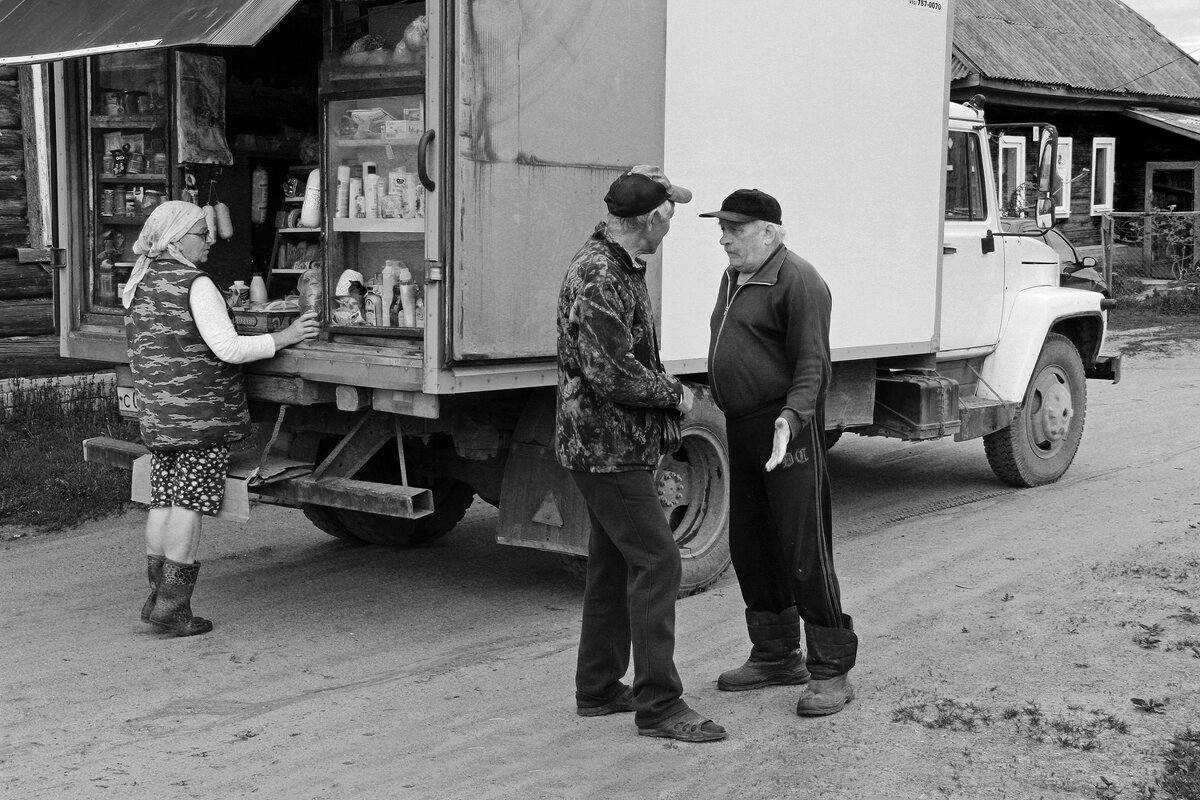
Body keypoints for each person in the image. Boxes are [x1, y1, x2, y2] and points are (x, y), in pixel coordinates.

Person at [556, 165, 726, 742]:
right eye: (669, 217)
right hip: (607, 449)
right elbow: (611, 374)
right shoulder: (601, 275)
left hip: (613, 444)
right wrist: (677, 394)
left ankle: (599, 687)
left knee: (613, 564)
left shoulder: (616, 263)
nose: (670, 227)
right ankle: (660, 705)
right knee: (659, 562)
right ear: (651, 219)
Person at [123, 201, 319, 637]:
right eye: (200, 233)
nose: (209, 239)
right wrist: (285, 336)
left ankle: (157, 599)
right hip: (199, 415)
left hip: (160, 411)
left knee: (164, 500)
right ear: (176, 239)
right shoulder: (195, 284)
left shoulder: (142, 278)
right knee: (189, 503)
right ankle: (173, 607)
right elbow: (228, 349)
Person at [701, 188, 857, 716]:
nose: (725, 239)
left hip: (785, 435)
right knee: (752, 547)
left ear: (769, 232)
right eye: (722, 228)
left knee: (803, 551)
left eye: (736, 229)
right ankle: (774, 653)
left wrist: (791, 420)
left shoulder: (799, 281)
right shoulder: (734, 276)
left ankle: (831, 670)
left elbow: (813, 366)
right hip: (741, 430)